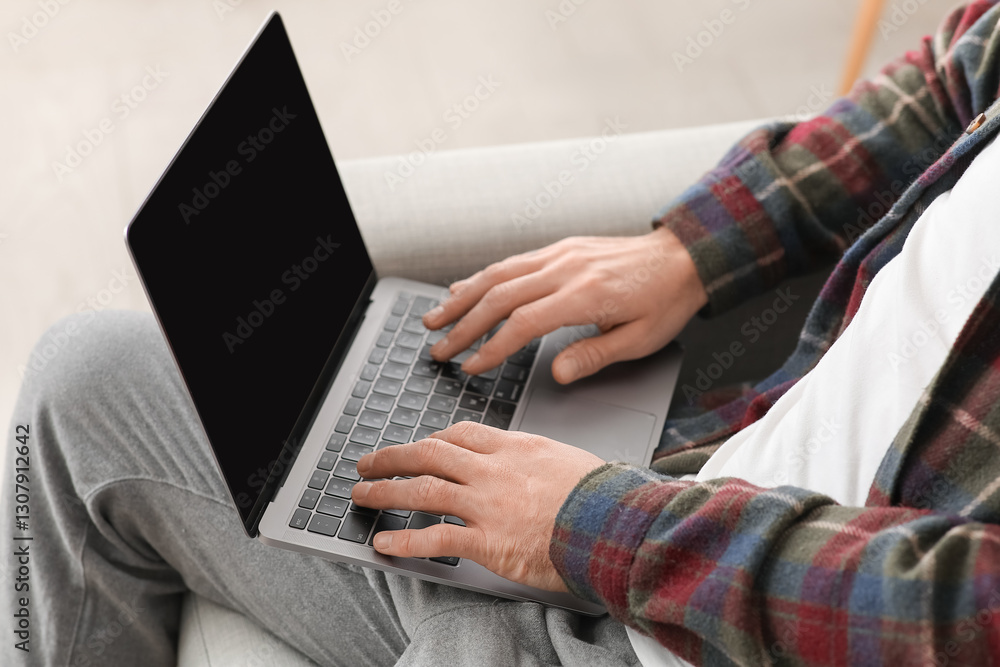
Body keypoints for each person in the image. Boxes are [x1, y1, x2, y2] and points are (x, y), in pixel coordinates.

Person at [8, 1, 1000, 665]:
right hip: (687, 465)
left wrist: (590, 526)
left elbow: (961, 617)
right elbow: (955, 79)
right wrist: (692, 249)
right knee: (85, 378)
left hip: (709, 620)